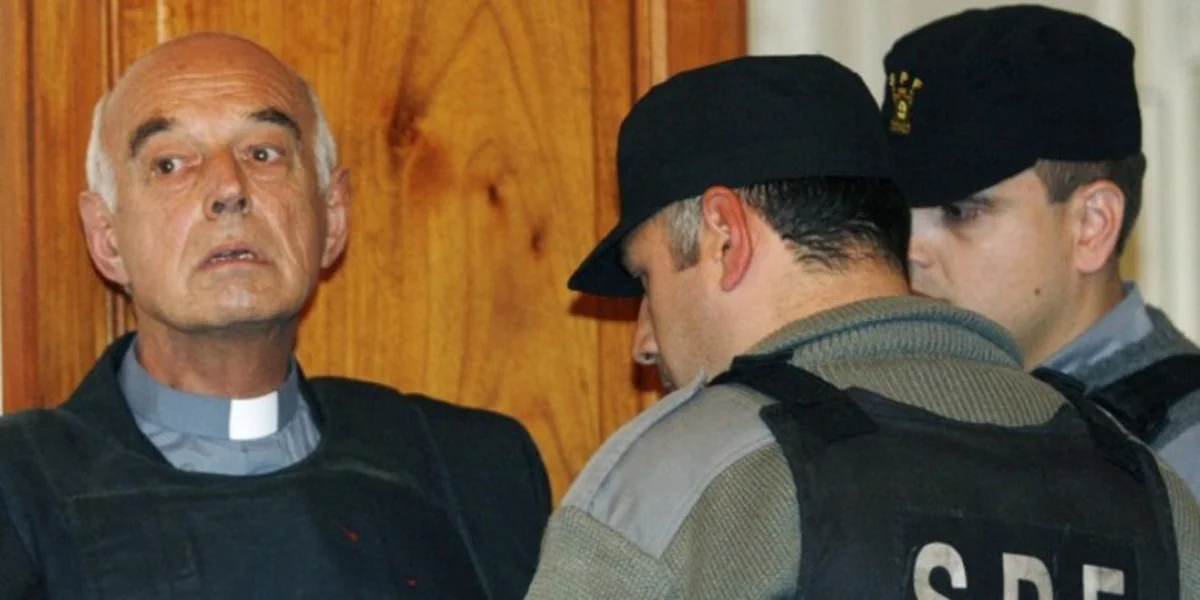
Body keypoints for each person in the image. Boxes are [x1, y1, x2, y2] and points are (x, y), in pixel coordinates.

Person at [524, 54, 1200, 598]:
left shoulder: (694, 476)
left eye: (647, 280)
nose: (644, 340)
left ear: (726, 236)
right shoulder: (1142, 483)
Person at [0, 32, 549, 599]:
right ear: (107, 238)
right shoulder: (20, 487)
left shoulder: (472, 469)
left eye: (263, 154)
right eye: (170, 164)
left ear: (332, 218)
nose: (228, 189)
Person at [883, 5, 1200, 495]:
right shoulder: (898, 405)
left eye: (959, 211)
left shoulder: (1182, 452)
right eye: (892, 212)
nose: (910, 250)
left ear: (1092, 225)